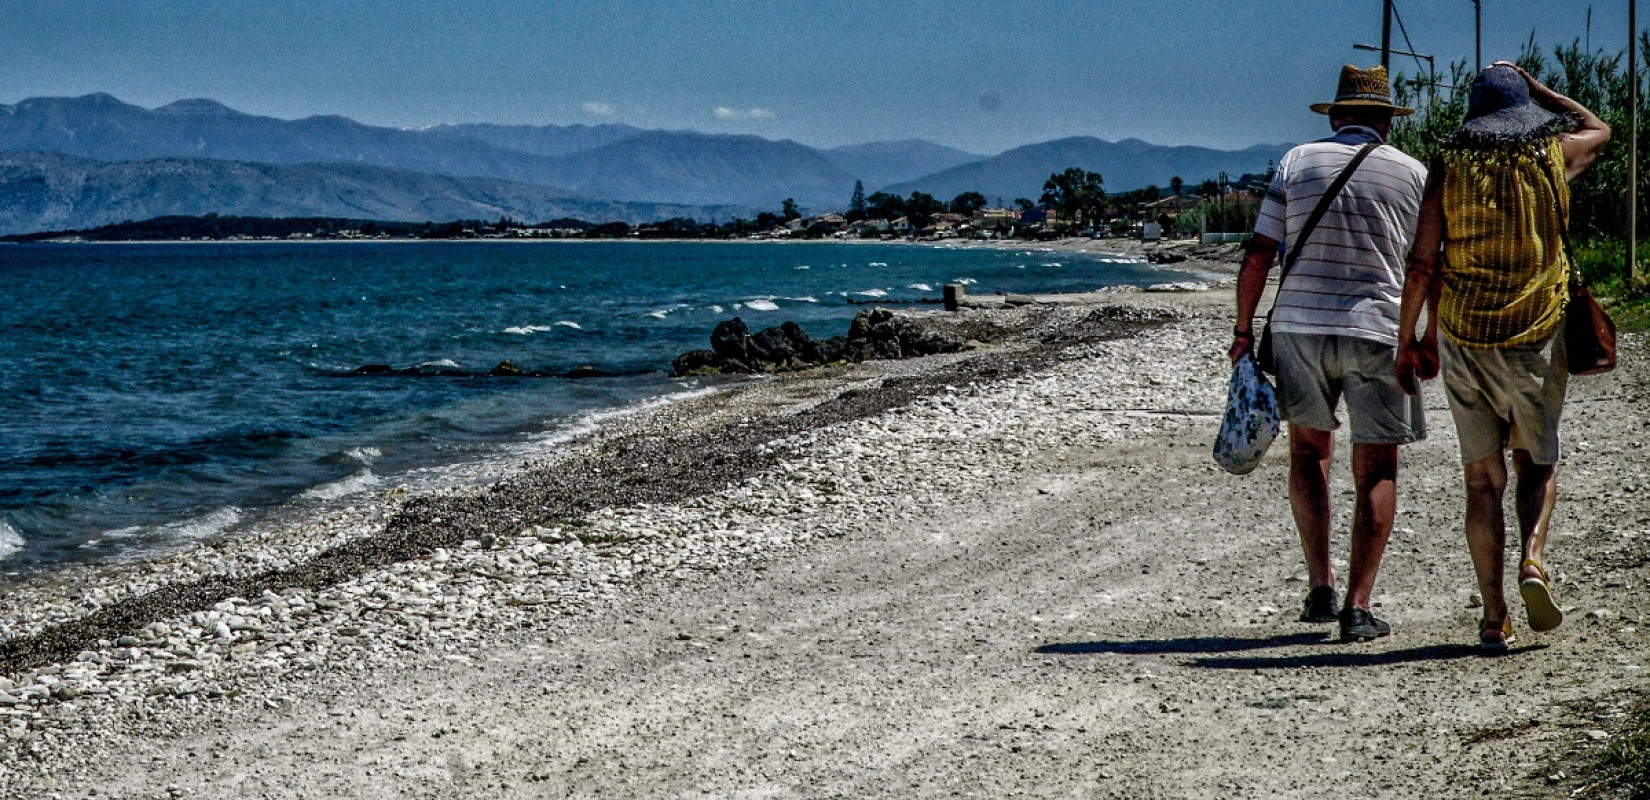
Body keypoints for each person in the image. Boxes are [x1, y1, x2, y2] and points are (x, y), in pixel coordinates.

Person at [1395, 62, 1611, 651]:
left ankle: (1495, 618)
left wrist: (1408, 340)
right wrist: (1539, 89)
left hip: (1465, 336)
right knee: (1536, 464)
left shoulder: (1448, 165)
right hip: (1536, 335)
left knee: (1482, 481)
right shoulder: (1553, 155)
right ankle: (1533, 559)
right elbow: (1600, 127)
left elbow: (1422, 263)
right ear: (1525, 111)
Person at [1230, 64, 1429, 643]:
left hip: (1300, 328)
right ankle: (1358, 607)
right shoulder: (1413, 173)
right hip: (1379, 330)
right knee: (1378, 465)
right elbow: (1425, 265)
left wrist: (1243, 332)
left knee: (1308, 451)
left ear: (1337, 115)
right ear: (1387, 122)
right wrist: (1427, 337)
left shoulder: (1296, 162)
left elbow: (1259, 252)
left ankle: (1320, 587)